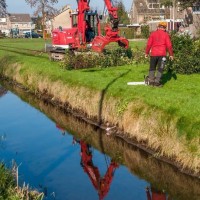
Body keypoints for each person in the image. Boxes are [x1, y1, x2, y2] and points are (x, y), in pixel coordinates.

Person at [145, 21, 174, 87]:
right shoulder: (166, 35)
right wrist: (171, 54)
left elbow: (149, 44)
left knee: (152, 67)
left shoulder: (153, 34)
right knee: (161, 68)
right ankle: (157, 82)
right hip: (162, 55)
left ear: (158, 27)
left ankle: (151, 81)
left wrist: (146, 53)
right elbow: (169, 45)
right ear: (164, 28)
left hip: (153, 54)